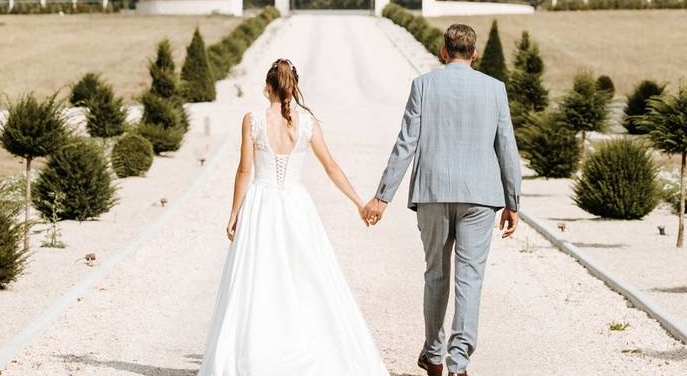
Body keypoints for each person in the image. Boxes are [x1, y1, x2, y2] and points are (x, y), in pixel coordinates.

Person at [198, 59, 388, 376]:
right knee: (307, 276)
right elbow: (331, 166)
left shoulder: (253, 120)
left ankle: (260, 350)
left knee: (258, 279)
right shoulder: (308, 123)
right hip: (297, 205)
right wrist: (357, 202)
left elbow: (245, 170)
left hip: (261, 204)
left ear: (267, 87)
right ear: (294, 87)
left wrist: (234, 212)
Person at [363, 23, 521, 376]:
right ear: (475, 53)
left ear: (443, 51)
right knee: (470, 279)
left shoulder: (423, 86)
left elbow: (406, 143)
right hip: (480, 196)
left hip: (433, 192)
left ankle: (433, 355)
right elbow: (506, 146)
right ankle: (459, 363)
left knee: (436, 274)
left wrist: (381, 196)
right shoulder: (495, 90)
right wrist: (513, 201)